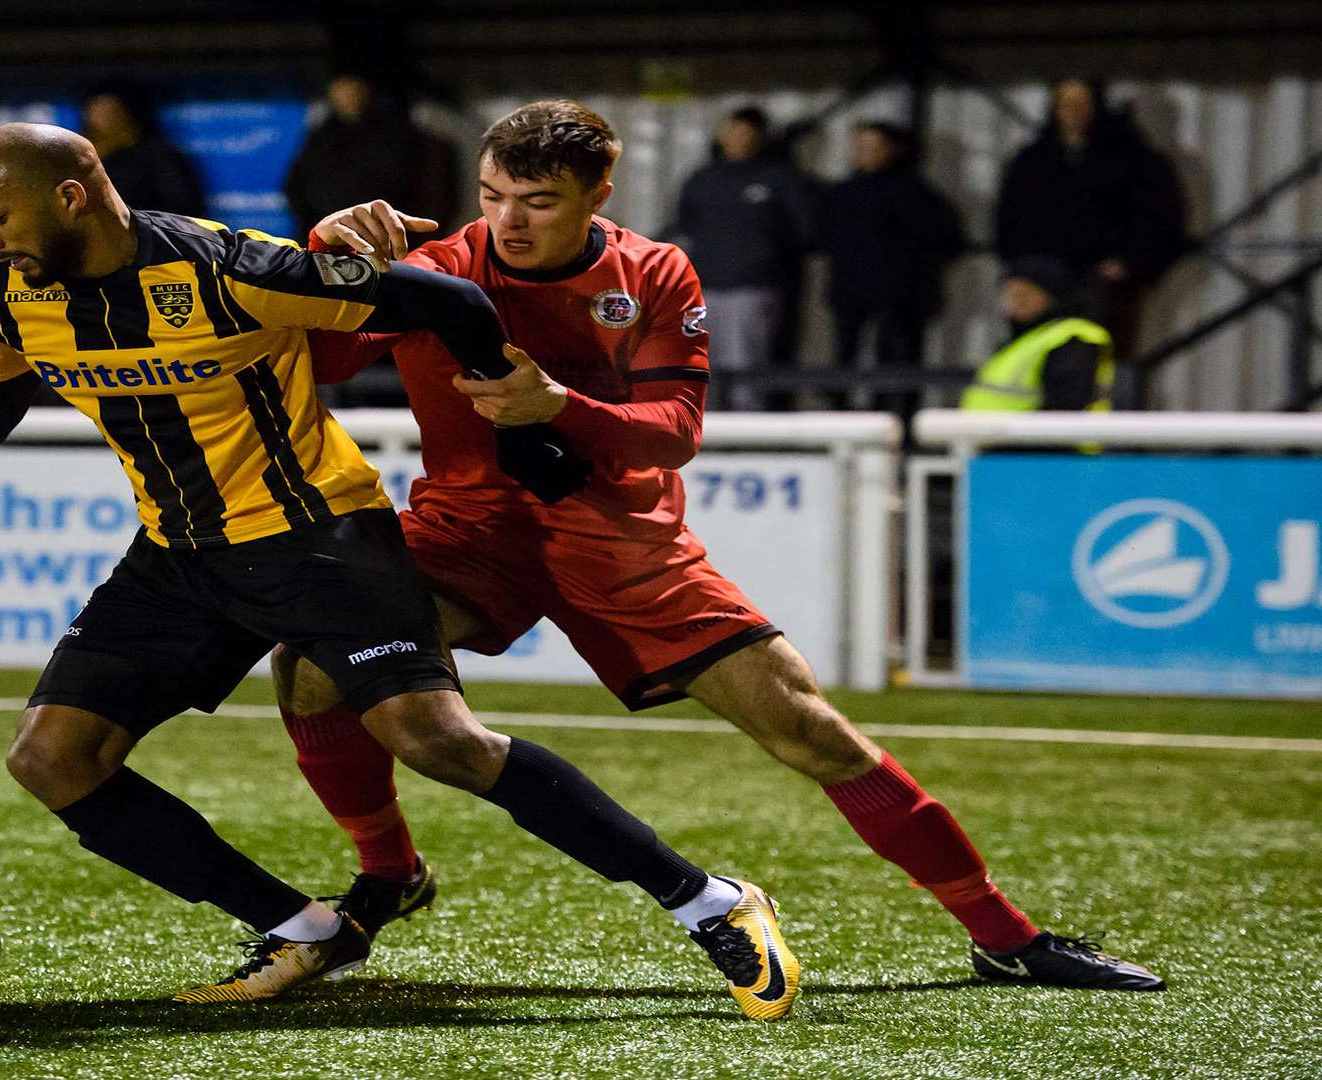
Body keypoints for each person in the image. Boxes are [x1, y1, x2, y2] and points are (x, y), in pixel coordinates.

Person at [0, 122, 799, 1018]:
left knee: (438, 742)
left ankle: (710, 902)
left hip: (320, 538)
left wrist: (526, 441)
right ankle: (305, 930)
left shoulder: (227, 268)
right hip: (179, 553)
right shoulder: (10, 298)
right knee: (52, 758)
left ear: (69, 198)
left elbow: (453, 301)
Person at [278, 100, 1162, 993]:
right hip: (468, 537)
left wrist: (561, 409)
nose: (507, 220)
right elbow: (320, 362)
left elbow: (672, 432)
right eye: (492, 194)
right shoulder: (439, 265)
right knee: (312, 658)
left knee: (816, 736)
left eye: (537, 201)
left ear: (597, 196)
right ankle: (390, 873)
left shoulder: (654, 274)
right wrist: (329, 259)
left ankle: (1005, 937)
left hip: (626, 546)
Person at [995, 79, 1185, 358]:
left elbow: (1156, 216)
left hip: (1099, 282)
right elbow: (1010, 218)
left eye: (1081, 103)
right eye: (1065, 103)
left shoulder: (1129, 156)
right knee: (1034, 357)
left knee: (1093, 358)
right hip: (1040, 277)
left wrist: (1130, 263)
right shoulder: (1033, 159)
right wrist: (1020, 268)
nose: (1073, 111)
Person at [662, 106, 816, 411]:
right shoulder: (702, 178)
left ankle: (747, 431)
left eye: (745, 131)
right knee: (700, 363)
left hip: (752, 287)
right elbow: (682, 226)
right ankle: (705, 433)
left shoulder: (777, 178)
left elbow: (804, 231)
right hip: (703, 288)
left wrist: (764, 258)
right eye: (731, 129)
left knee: (744, 364)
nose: (737, 137)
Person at [823, 122, 964, 418]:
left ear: (892, 150)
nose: (866, 153)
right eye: (861, 147)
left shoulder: (916, 194)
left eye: (874, 147)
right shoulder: (841, 193)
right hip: (850, 292)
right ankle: (838, 419)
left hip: (900, 298)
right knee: (843, 358)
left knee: (896, 362)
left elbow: (948, 241)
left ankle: (895, 420)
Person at [285, 72, 460, 238]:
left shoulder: (398, 136)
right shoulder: (320, 136)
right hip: (329, 239)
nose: (346, 96)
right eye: (340, 88)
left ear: (367, 91)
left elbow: (424, 188)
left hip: (385, 240)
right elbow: (297, 185)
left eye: (354, 89)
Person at [961, 256, 1113, 412]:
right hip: (1004, 434)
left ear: (1051, 297)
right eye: (1009, 295)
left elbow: (1066, 405)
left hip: (1041, 435)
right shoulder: (1027, 337)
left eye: (1024, 295)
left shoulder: (1072, 337)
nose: (1014, 303)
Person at [80, 83, 207, 219]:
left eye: (111, 110)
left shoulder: (158, 157)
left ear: (127, 112)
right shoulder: (80, 156)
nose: (102, 118)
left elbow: (182, 207)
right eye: (95, 110)